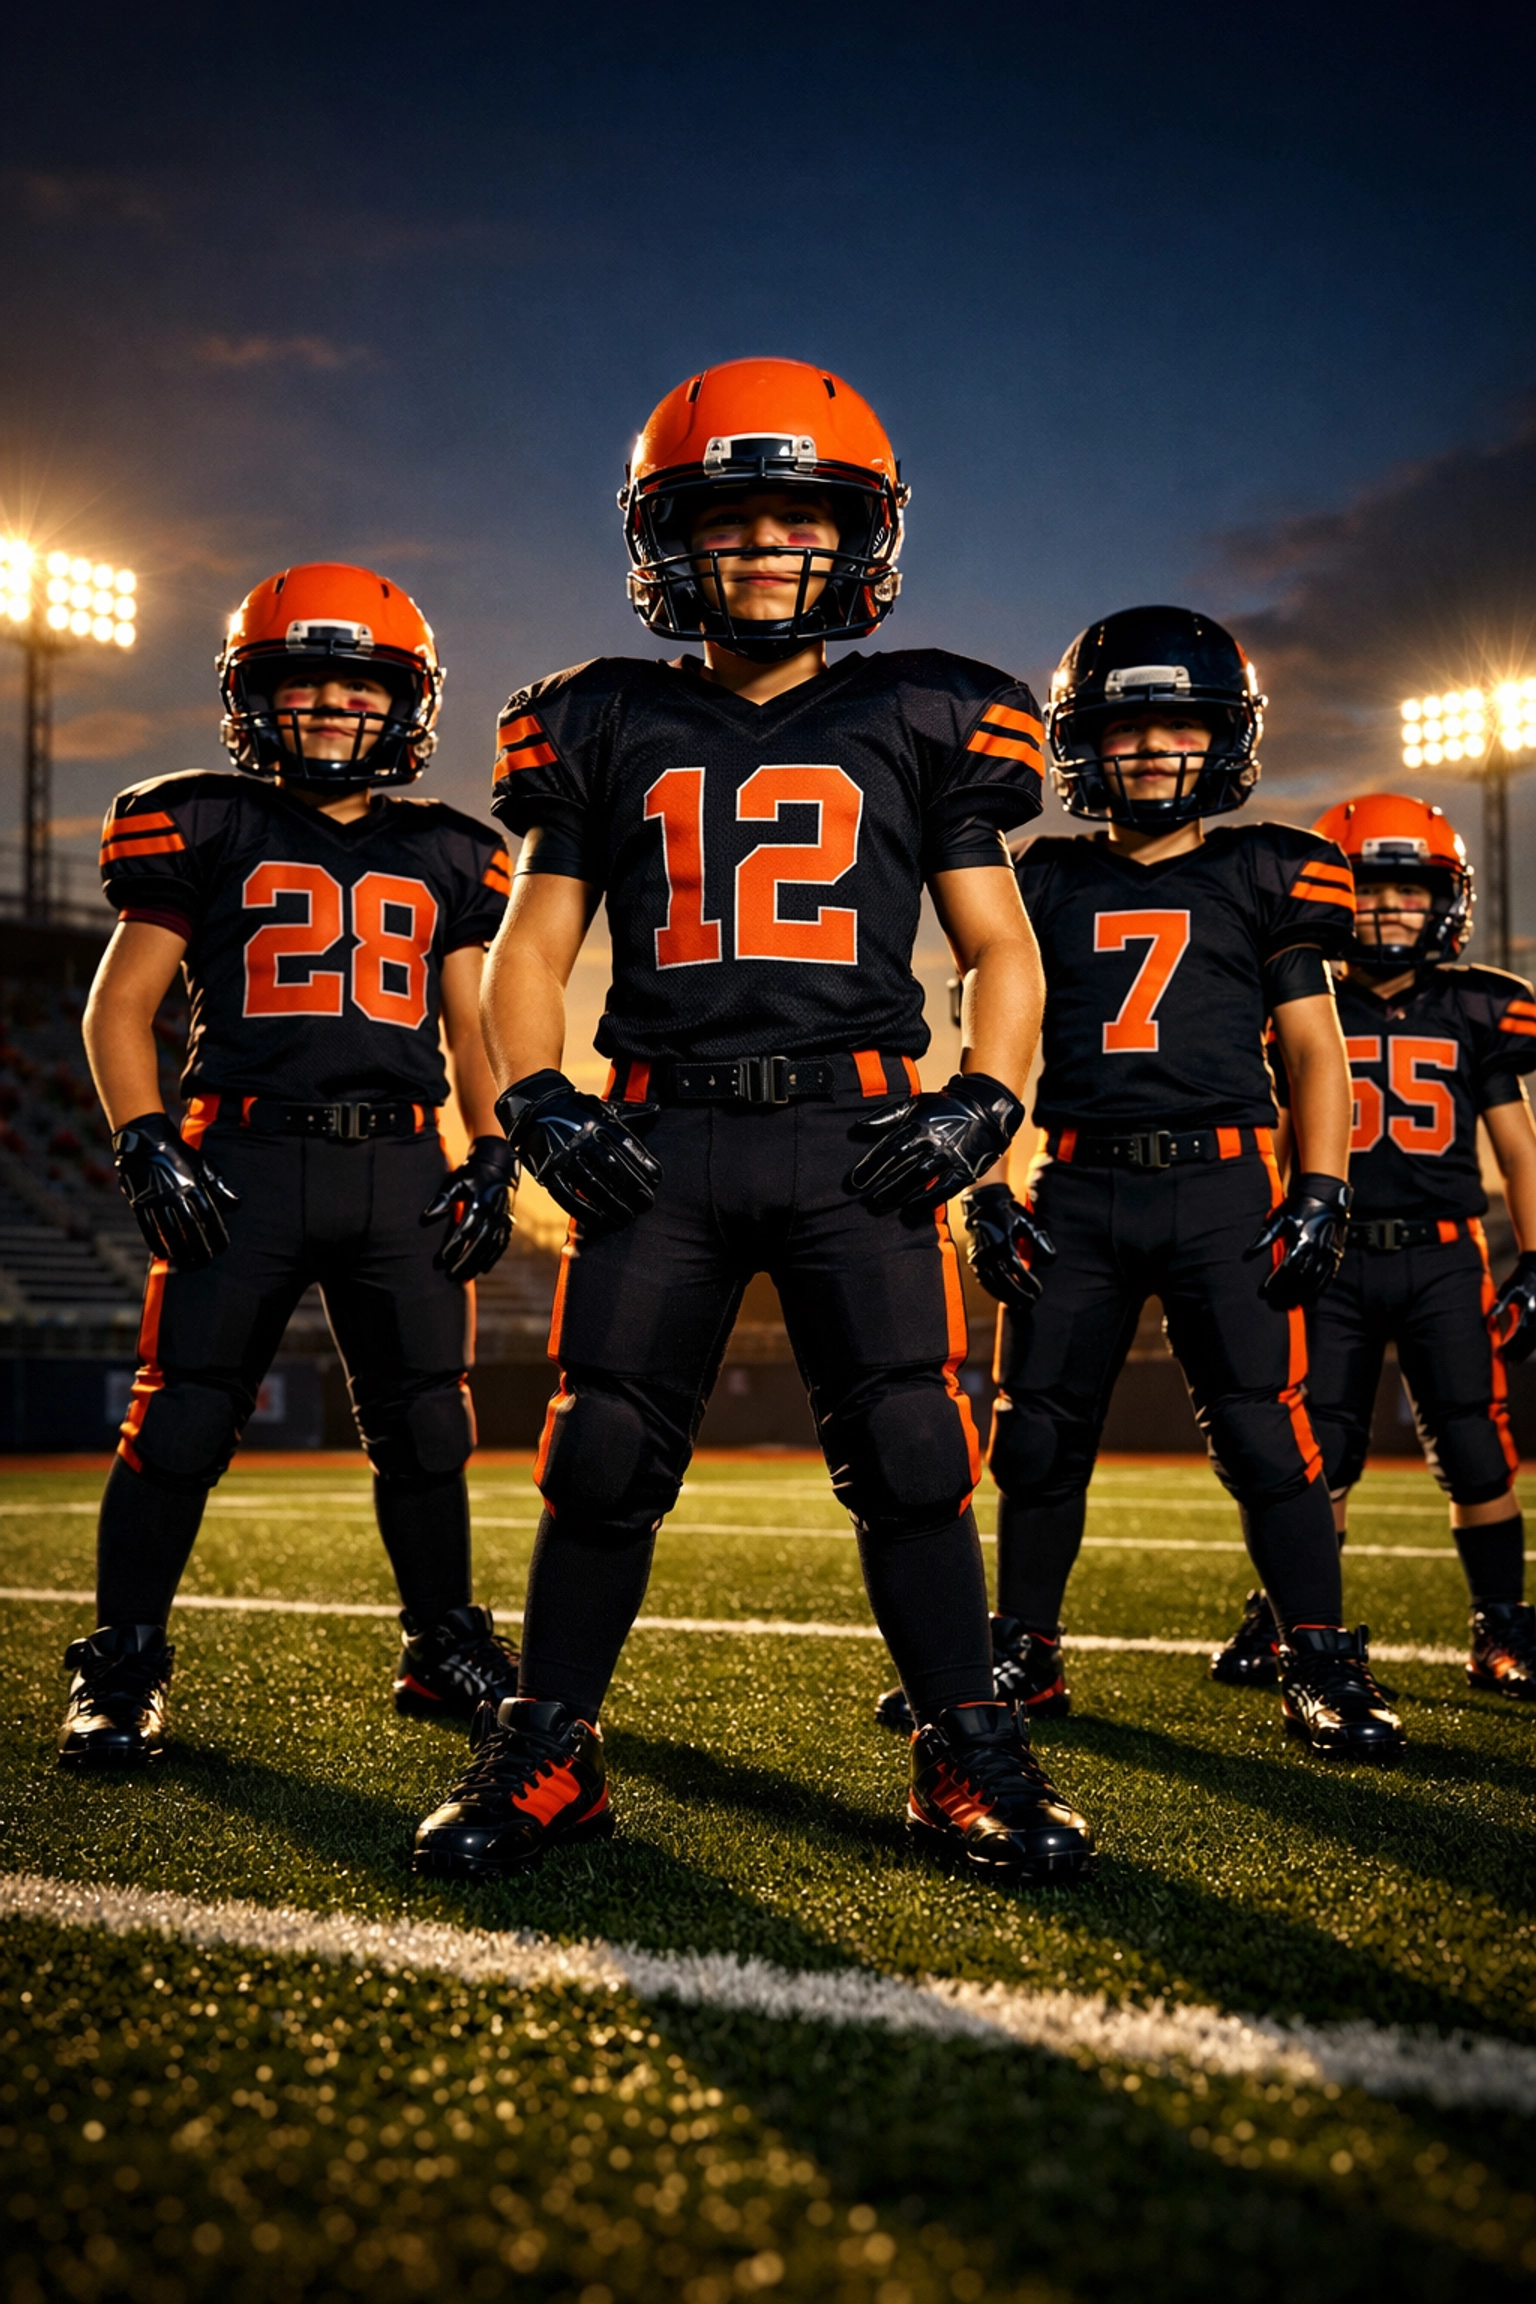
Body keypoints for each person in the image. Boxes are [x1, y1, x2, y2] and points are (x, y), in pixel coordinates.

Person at [411, 356, 1098, 1883]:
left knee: (918, 1447)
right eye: (734, 524)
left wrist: (986, 1096)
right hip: (657, 1136)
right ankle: (551, 1746)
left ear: (858, 539)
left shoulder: (928, 716)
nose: (769, 554)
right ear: (673, 542)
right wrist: (532, 1097)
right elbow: (531, 948)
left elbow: (1001, 946)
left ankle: (963, 1748)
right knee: (596, 1454)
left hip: (860, 1133)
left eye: (801, 523)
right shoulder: (599, 722)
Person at [58, 562, 522, 1768]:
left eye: (357, 686)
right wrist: (145, 1133)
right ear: (251, 696)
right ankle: (121, 1664)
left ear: (404, 704)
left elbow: (472, 1029)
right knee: (182, 1421)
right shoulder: (199, 819)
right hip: (243, 1152)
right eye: (302, 682)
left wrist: (494, 1155)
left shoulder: (454, 853)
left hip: (403, 1164)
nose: (329, 708)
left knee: (426, 1424)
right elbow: (123, 1005)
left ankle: (440, 1641)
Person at [932, 604, 1406, 1765]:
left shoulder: (1268, 871)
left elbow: (1312, 1049)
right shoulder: (1037, 879)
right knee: (1038, 1437)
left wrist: (1323, 1187)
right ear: (1082, 742)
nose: (1149, 750)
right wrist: (985, 1188)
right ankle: (1023, 1651)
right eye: (1125, 726)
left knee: (1264, 1436)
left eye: (1178, 725)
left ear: (1225, 737)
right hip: (1078, 1185)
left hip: (1226, 1187)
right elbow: (999, 1045)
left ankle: (1318, 1656)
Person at [1210, 794, 1536, 1700]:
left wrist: (1535, 1258)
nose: (1390, 908)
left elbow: (1519, 1145)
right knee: (1322, 1444)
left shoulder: (1480, 1007)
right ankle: (1293, 1623)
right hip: (1334, 1253)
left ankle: (1503, 1626)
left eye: (1410, 890)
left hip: (1444, 1253)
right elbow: (1280, 1120)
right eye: (1371, 889)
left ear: (1447, 901)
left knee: (1475, 1439)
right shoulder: (1301, 998)